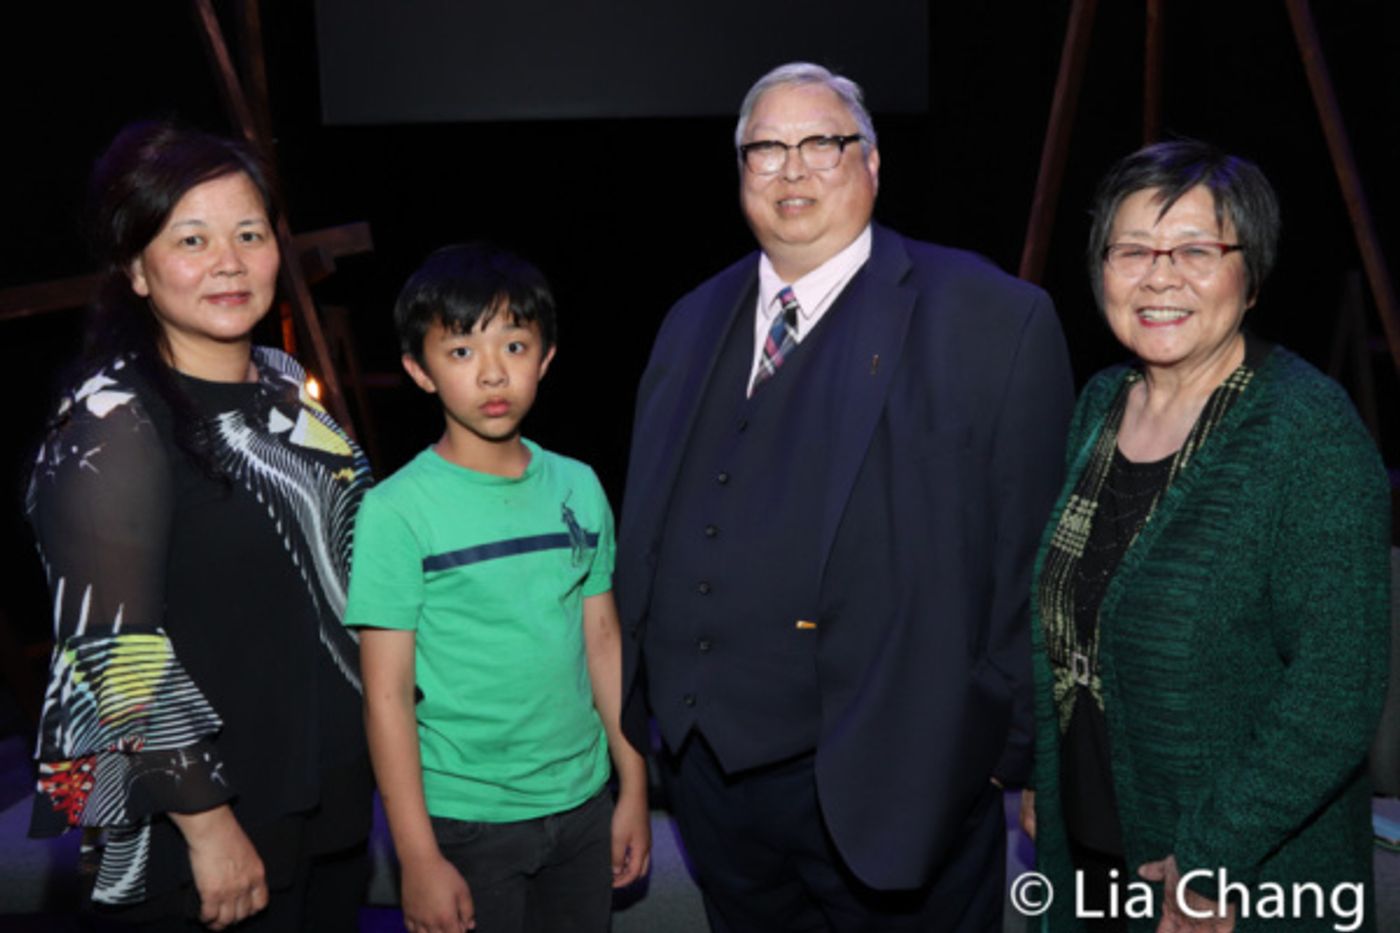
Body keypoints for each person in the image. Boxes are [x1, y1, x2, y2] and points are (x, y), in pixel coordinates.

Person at [615, 61, 1075, 930]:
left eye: (821, 144)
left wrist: (1005, 755)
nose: (792, 171)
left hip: (905, 781)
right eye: (767, 150)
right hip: (716, 785)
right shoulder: (691, 318)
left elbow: (1037, 557)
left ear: (872, 163)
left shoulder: (989, 317)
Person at [1022, 139, 1391, 932]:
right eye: (1133, 251)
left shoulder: (1309, 433)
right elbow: (1077, 619)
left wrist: (1212, 859)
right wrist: (1044, 774)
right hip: (1089, 848)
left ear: (1250, 274)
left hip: (1235, 879)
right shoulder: (1101, 404)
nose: (1160, 276)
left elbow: (1336, 690)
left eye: (1196, 249)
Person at [26, 122, 374, 930]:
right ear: (136, 269)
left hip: (322, 790)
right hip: (205, 815)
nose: (229, 260)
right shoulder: (111, 421)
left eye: (250, 234)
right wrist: (208, 822)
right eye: (193, 238)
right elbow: (111, 650)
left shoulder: (285, 385)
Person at [345, 244, 650, 933]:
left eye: (514, 344)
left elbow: (603, 639)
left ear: (544, 358)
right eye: (459, 352)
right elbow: (385, 694)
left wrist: (631, 783)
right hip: (467, 818)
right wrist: (415, 855)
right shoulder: (397, 510)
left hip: (581, 802)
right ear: (419, 371)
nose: (491, 372)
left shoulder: (579, 484)